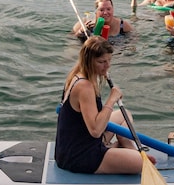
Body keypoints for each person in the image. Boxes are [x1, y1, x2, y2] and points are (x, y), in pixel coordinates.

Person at [54, 36, 143, 175]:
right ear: (89, 61)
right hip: (79, 155)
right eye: (101, 62)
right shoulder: (85, 86)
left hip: (73, 145)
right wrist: (112, 99)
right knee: (140, 163)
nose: (107, 66)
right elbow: (95, 131)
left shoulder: (77, 73)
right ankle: (124, 149)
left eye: (109, 60)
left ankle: (124, 143)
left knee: (123, 115)